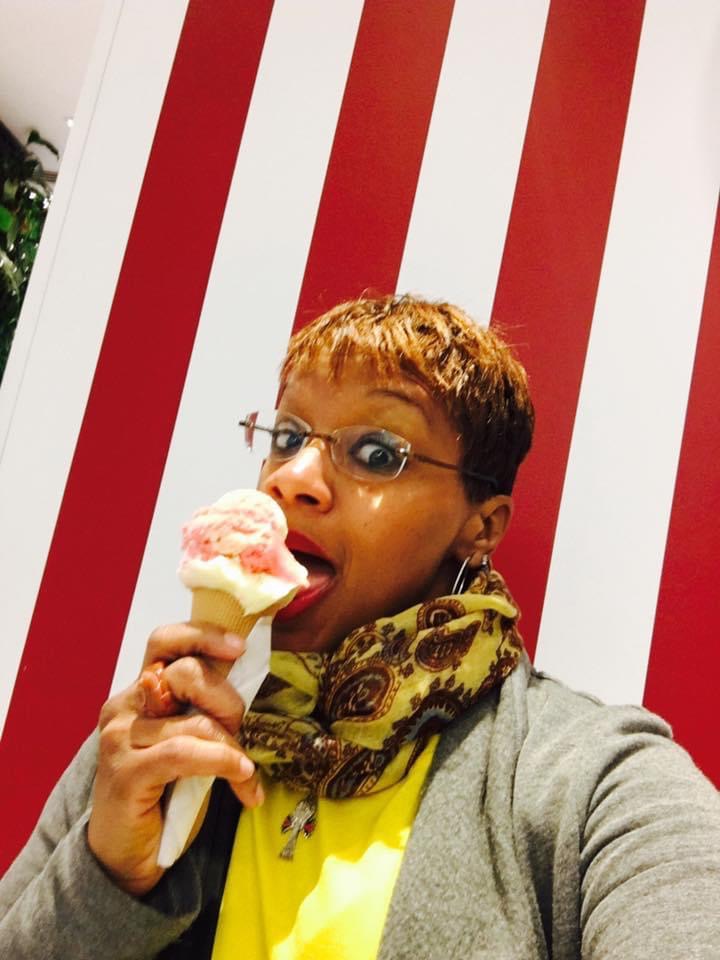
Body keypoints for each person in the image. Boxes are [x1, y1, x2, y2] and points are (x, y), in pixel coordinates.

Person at [1, 295, 719, 959]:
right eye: (287, 436)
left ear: (481, 526)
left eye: (377, 452)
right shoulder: (154, 741)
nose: (292, 477)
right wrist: (108, 878)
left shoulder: (594, 782)